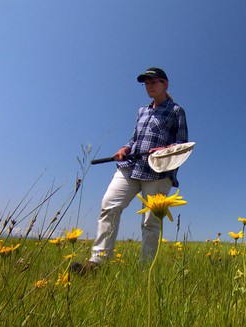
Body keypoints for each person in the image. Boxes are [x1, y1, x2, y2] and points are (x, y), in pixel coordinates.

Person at [72, 67, 188, 274]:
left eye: (153, 82)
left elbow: (182, 144)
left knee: (151, 221)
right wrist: (125, 148)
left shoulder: (176, 111)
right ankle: (96, 263)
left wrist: (165, 149)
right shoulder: (142, 111)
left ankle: (145, 270)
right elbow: (134, 138)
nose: (149, 86)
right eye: (146, 83)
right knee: (109, 205)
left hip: (158, 171)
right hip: (131, 166)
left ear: (165, 84)